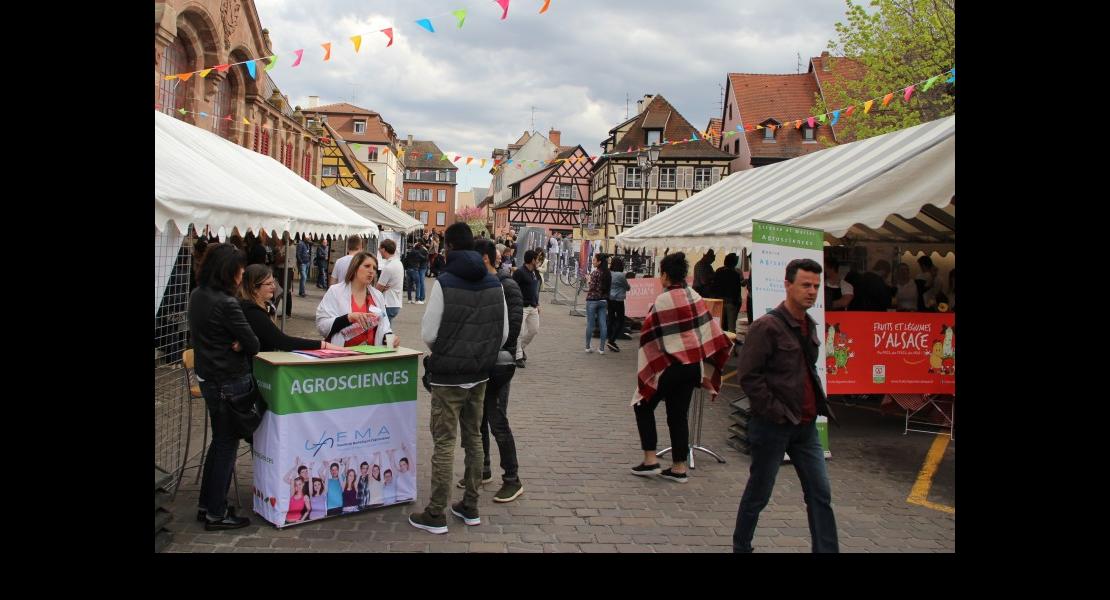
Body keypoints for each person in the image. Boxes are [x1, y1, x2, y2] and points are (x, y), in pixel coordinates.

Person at [732, 258, 839, 553]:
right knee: (759, 493)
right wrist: (775, 412)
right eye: (805, 285)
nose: (812, 291)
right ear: (787, 285)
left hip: (805, 427)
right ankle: (741, 546)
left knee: (820, 493)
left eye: (816, 286)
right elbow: (748, 376)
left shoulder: (810, 326)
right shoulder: (766, 326)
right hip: (773, 426)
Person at [409, 223, 508, 534]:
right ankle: (470, 505)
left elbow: (428, 333)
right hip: (479, 375)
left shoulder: (446, 282)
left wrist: (447, 351)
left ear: (449, 247)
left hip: (448, 378)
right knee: (475, 439)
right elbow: (502, 333)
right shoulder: (495, 283)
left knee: (444, 442)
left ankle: (436, 512)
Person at [631, 252, 732, 483]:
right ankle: (679, 468)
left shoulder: (663, 300)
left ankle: (650, 461)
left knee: (642, 405)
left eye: (661, 273)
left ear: (665, 275)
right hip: (692, 367)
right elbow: (710, 330)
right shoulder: (695, 296)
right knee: (678, 416)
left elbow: (649, 336)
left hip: (670, 367)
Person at [188, 243, 259, 531]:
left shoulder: (197, 295)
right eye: (239, 269)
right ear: (229, 271)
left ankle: (208, 504)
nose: (242, 275)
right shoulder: (227, 303)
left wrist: (238, 341)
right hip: (229, 381)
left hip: (209, 377)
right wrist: (241, 342)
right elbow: (253, 343)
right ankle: (216, 513)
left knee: (219, 443)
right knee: (226, 446)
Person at [459, 239, 525, 502]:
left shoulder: (507, 286)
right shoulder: (480, 285)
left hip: (497, 364)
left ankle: (512, 478)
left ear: (484, 259)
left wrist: (497, 356)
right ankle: (482, 469)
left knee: (497, 420)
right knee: (478, 418)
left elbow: (513, 327)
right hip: (478, 363)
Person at [238, 264, 345, 352]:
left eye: (273, 281)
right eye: (268, 284)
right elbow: (282, 341)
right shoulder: (253, 312)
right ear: (254, 288)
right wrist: (323, 345)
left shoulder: (263, 306)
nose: (274, 287)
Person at [315, 251, 402, 348]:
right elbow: (322, 326)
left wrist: (390, 337)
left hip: (370, 357)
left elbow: (384, 326)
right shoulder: (335, 291)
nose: (371, 271)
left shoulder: (377, 296)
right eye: (367, 266)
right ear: (355, 268)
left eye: (374, 268)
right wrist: (348, 318)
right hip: (342, 354)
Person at [512, 249, 541, 368]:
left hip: (533, 306)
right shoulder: (519, 272)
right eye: (537, 259)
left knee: (534, 330)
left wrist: (538, 303)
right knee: (520, 332)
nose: (538, 261)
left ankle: (520, 348)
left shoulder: (535, 272)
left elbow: (535, 289)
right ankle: (518, 356)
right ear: (532, 260)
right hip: (522, 306)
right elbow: (513, 287)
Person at [584, 253, 611, 354]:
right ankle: (602, 348)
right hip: (603, 301)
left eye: (594, 260)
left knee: (590, 324)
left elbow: (592, 287)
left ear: (599, 262)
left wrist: (588, 280)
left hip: (592, 300)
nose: (593, 261)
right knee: (603, 324)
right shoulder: (607, 273)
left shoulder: (595, 273)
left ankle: (587, 347)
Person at [713, 252, 743, 333]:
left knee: (720, 324)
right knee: (731, 327)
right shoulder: (736, 274)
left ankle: (722, 341)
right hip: (731, 302)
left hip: (720, 302)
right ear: (734, 262)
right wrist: (737, 302)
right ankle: (732, 342)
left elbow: (714, 286)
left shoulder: (718, 271)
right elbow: (737, 290)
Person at [606, 256, 631, 352]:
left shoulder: (609, 273)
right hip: (618, 300)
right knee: (620, 321)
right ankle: (612, 340)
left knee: (611, 319)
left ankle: (609, 339)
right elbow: (627, 287)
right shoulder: (621, 275)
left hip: (609, 298)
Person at [376, 239, 405, 319]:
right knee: (387, 329)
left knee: (383, 330)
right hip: (395, 302)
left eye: (380, 249)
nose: (379, 251)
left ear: (384, 249)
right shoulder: (398, 263)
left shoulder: (388, 267)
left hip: (388, 303)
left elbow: (378, 288)